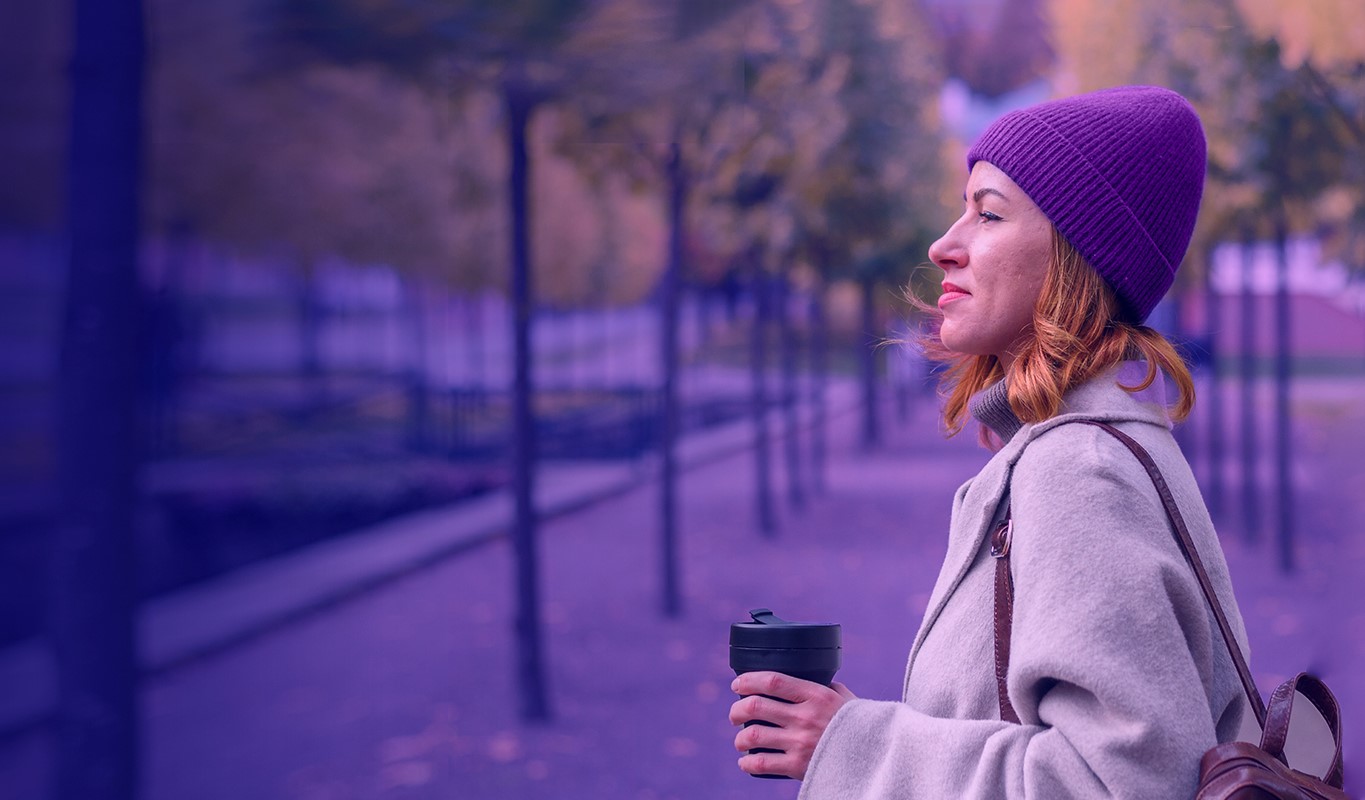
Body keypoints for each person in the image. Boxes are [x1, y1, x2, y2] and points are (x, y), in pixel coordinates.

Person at [729, 85, 1254, 797]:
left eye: (989, 214)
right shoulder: (1074, 454)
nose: (942, 246)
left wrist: (853, 743)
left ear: (1074, 259)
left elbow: (1124, 783)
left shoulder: (1080, 472)